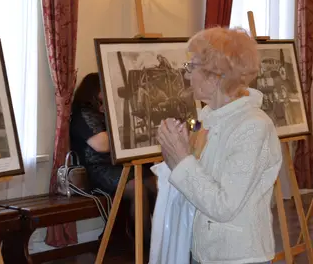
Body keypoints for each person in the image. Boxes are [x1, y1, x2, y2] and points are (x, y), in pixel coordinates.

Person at [156, 27, 282, 264]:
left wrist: (181, 159)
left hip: (237, 256)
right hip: (205, 249)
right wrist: (178, 151)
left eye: (192, 67)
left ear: (214, 78)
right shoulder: (209, 116)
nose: (187, 75)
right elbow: (199, 178)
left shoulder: (253, 127)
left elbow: (224, 205)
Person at [69, 72, 157, 250]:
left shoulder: (104, 112)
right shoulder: (83, 115)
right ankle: (144, 244)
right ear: (93, 91)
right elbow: (102, 144)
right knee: (137, 188)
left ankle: (159, 237)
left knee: (152, 182)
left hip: (117, 166)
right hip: (98, 170)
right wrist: (130, 134)